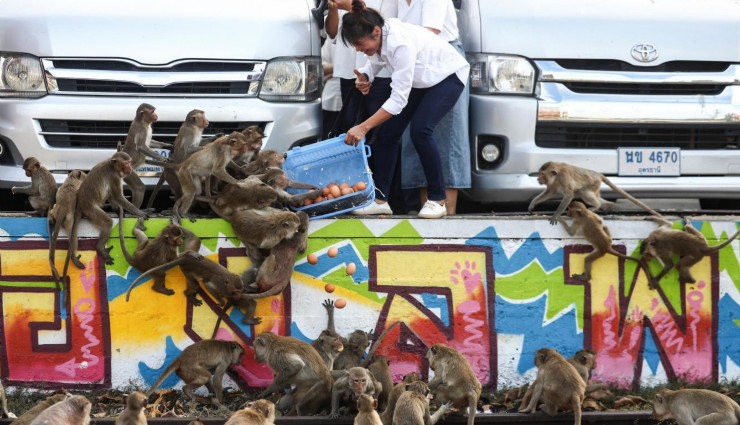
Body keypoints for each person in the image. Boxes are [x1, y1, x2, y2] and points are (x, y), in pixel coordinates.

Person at [341, 0, 469, 218]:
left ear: (376, 31)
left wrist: (363, 127)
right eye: (355, 45)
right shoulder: (382, 36)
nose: (359, 49)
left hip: (448, 76)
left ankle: (438, 200)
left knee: (420, 130)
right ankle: (381, 200)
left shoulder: (400, 43)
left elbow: (398, 101)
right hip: (422, 80)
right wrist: (366, 75)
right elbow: (378, 58)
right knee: (387, 133)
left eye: (360, 44)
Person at [397, 0, 470, 216]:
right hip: (415, 64)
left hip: (443, 61)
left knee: (445, 142)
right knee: (417, 139)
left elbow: (430, 32)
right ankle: (426, 215)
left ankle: (447, 218)